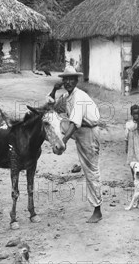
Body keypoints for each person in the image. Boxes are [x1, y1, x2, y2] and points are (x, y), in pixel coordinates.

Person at [47, 66, 103, 223]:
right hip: (79, 130)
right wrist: (53, 89)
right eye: (65, 80)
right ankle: (53, 141)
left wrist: (63, 143)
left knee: (91, 170)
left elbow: (74, 124)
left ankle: (97, 210)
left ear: (77, 81)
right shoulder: (67, 96)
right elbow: (53, 108)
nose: (68, 82)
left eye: (72, 79)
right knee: (51, 118)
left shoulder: (79, 97)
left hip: (88, 132)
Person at [125, 104, 139, 172]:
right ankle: (134, 178)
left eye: (137, 114)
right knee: (132, 161)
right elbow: (126, 137)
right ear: (131, 114)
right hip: (132, 145)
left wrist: (138, 122)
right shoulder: (128, 124)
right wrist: (126, 146)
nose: (136, 115)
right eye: (134, 114)